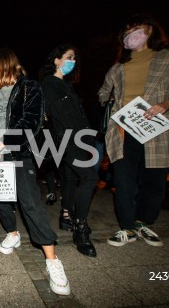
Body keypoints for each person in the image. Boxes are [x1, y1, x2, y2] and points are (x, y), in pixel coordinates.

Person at [0, 48, 70, 295]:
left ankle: (52, 261)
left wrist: (2, 144)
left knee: (30, 204)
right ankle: (13, 233)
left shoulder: (29, 88)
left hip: (18, 153)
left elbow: (30, 122)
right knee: (1, 201)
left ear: (3, 66)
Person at [98, 14, 169, 247]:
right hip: (124, 129)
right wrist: (113, 103)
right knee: (123, 181)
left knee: (154, 180)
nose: (130, 33)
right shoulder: (118, 67)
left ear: (150, 31)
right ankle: (127, 227)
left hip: (157, 128)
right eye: (127, 30)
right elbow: (103, 93)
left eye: (136, 28)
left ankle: (143, 222)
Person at [39, 44, 99, 257]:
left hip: (79, 139)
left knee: (70, 178)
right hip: (68, 140)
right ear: (56, 60)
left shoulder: (66, 84)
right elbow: (59, 117)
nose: (72, 61)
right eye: (68, 57)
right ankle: (80, 229)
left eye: (75, 57)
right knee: (90, 178)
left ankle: (66, 217)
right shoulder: (49, 84)